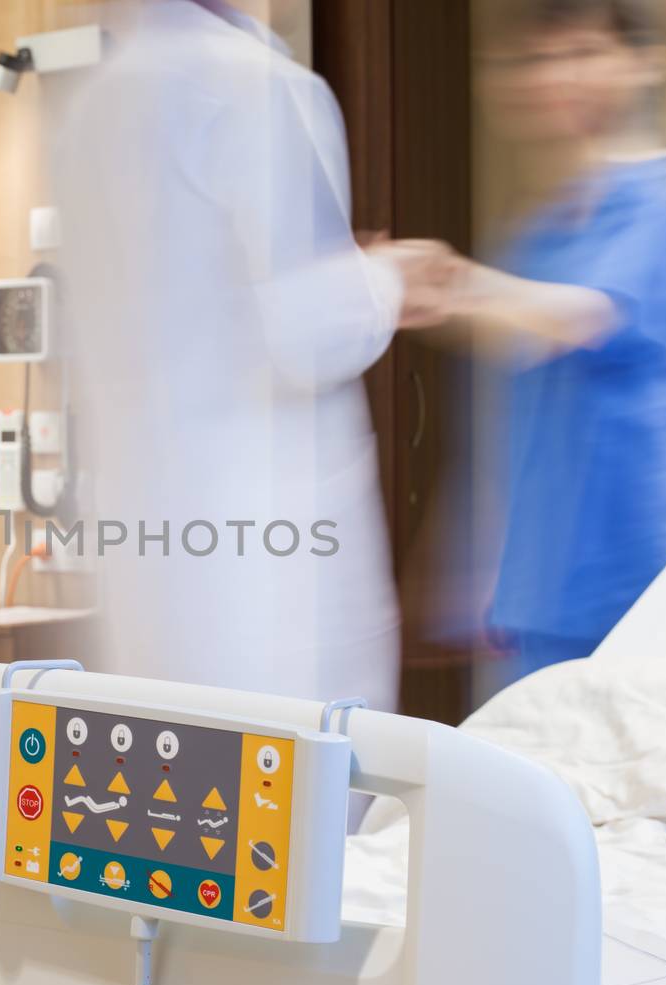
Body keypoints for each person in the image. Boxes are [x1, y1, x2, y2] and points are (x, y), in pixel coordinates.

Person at [45, 0, 448, 719]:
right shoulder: (257, 87)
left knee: (171, 800)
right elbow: (313, 334)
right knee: (304, 805)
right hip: (270, 573)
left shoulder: (86, 115)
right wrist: (389, 277)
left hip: (147, 558)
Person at [429, 0, 666, 678]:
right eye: (537, 59)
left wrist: (440, 280)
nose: (556, 77)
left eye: (582, 53)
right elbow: (507, 419)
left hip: (636, 581)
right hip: (535, 591)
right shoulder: (536, 234)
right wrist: (479, 569)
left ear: (643, 65)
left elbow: (578, 317)